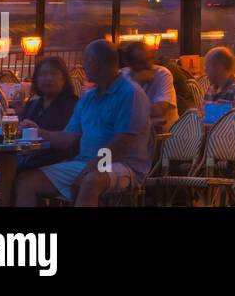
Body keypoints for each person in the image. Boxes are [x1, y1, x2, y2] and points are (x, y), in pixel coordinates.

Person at [13, 40, 151, 207]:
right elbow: (69, 138)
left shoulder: (130, 93)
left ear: (98, 63)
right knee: (26, 180)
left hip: (124, 165)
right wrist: (38, 131)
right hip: (85, 162)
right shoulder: (88, 98)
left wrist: (90, 168)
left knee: (91, 181)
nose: (83, 66)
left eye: (86, 61)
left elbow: (123, 144)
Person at [11, 56, 79, 173]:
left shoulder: (71, 104)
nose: (48, 79)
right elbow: (22, 135)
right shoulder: (33, 104)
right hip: (31, 161)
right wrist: (20, 114)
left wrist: (38, 132)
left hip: (57, 164)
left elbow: (68, 142)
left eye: (53, 74)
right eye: (42, 75)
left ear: (64, 78)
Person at [120, 40, 178, 131]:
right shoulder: (122, 75)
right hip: (133, 131)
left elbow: (159, 111)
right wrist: (136, 82)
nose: (148, 65)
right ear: (129, 64)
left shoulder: (163, 74)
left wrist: (125, 110)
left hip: (163, 136)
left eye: (150, 59)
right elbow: (112, 109)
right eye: (141, 62)